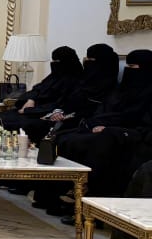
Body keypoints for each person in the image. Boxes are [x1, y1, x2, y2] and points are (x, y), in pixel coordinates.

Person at [51, 49, 152, 224]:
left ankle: (90, 203)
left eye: (133, 66)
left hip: (130, 136)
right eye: (127, 66)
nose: (129, 70)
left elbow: (139, 122)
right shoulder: (123, 89)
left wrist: (111, 128)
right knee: (64, 137)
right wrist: (94, 123)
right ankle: (62, 195)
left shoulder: (148, 93)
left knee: (99, 144)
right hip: (109, 128)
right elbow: (109, 110)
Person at [0, 45, 83, 143]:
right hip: (34, 111)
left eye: (57, 62)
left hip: (47, 116)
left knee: (14, 123)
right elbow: (37, 89)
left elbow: (60, 105)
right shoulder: (53, 77)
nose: (53, 64)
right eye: (53, 61)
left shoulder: (76, 82)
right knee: (0, 117)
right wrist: (31, 99)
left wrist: (28, 110)